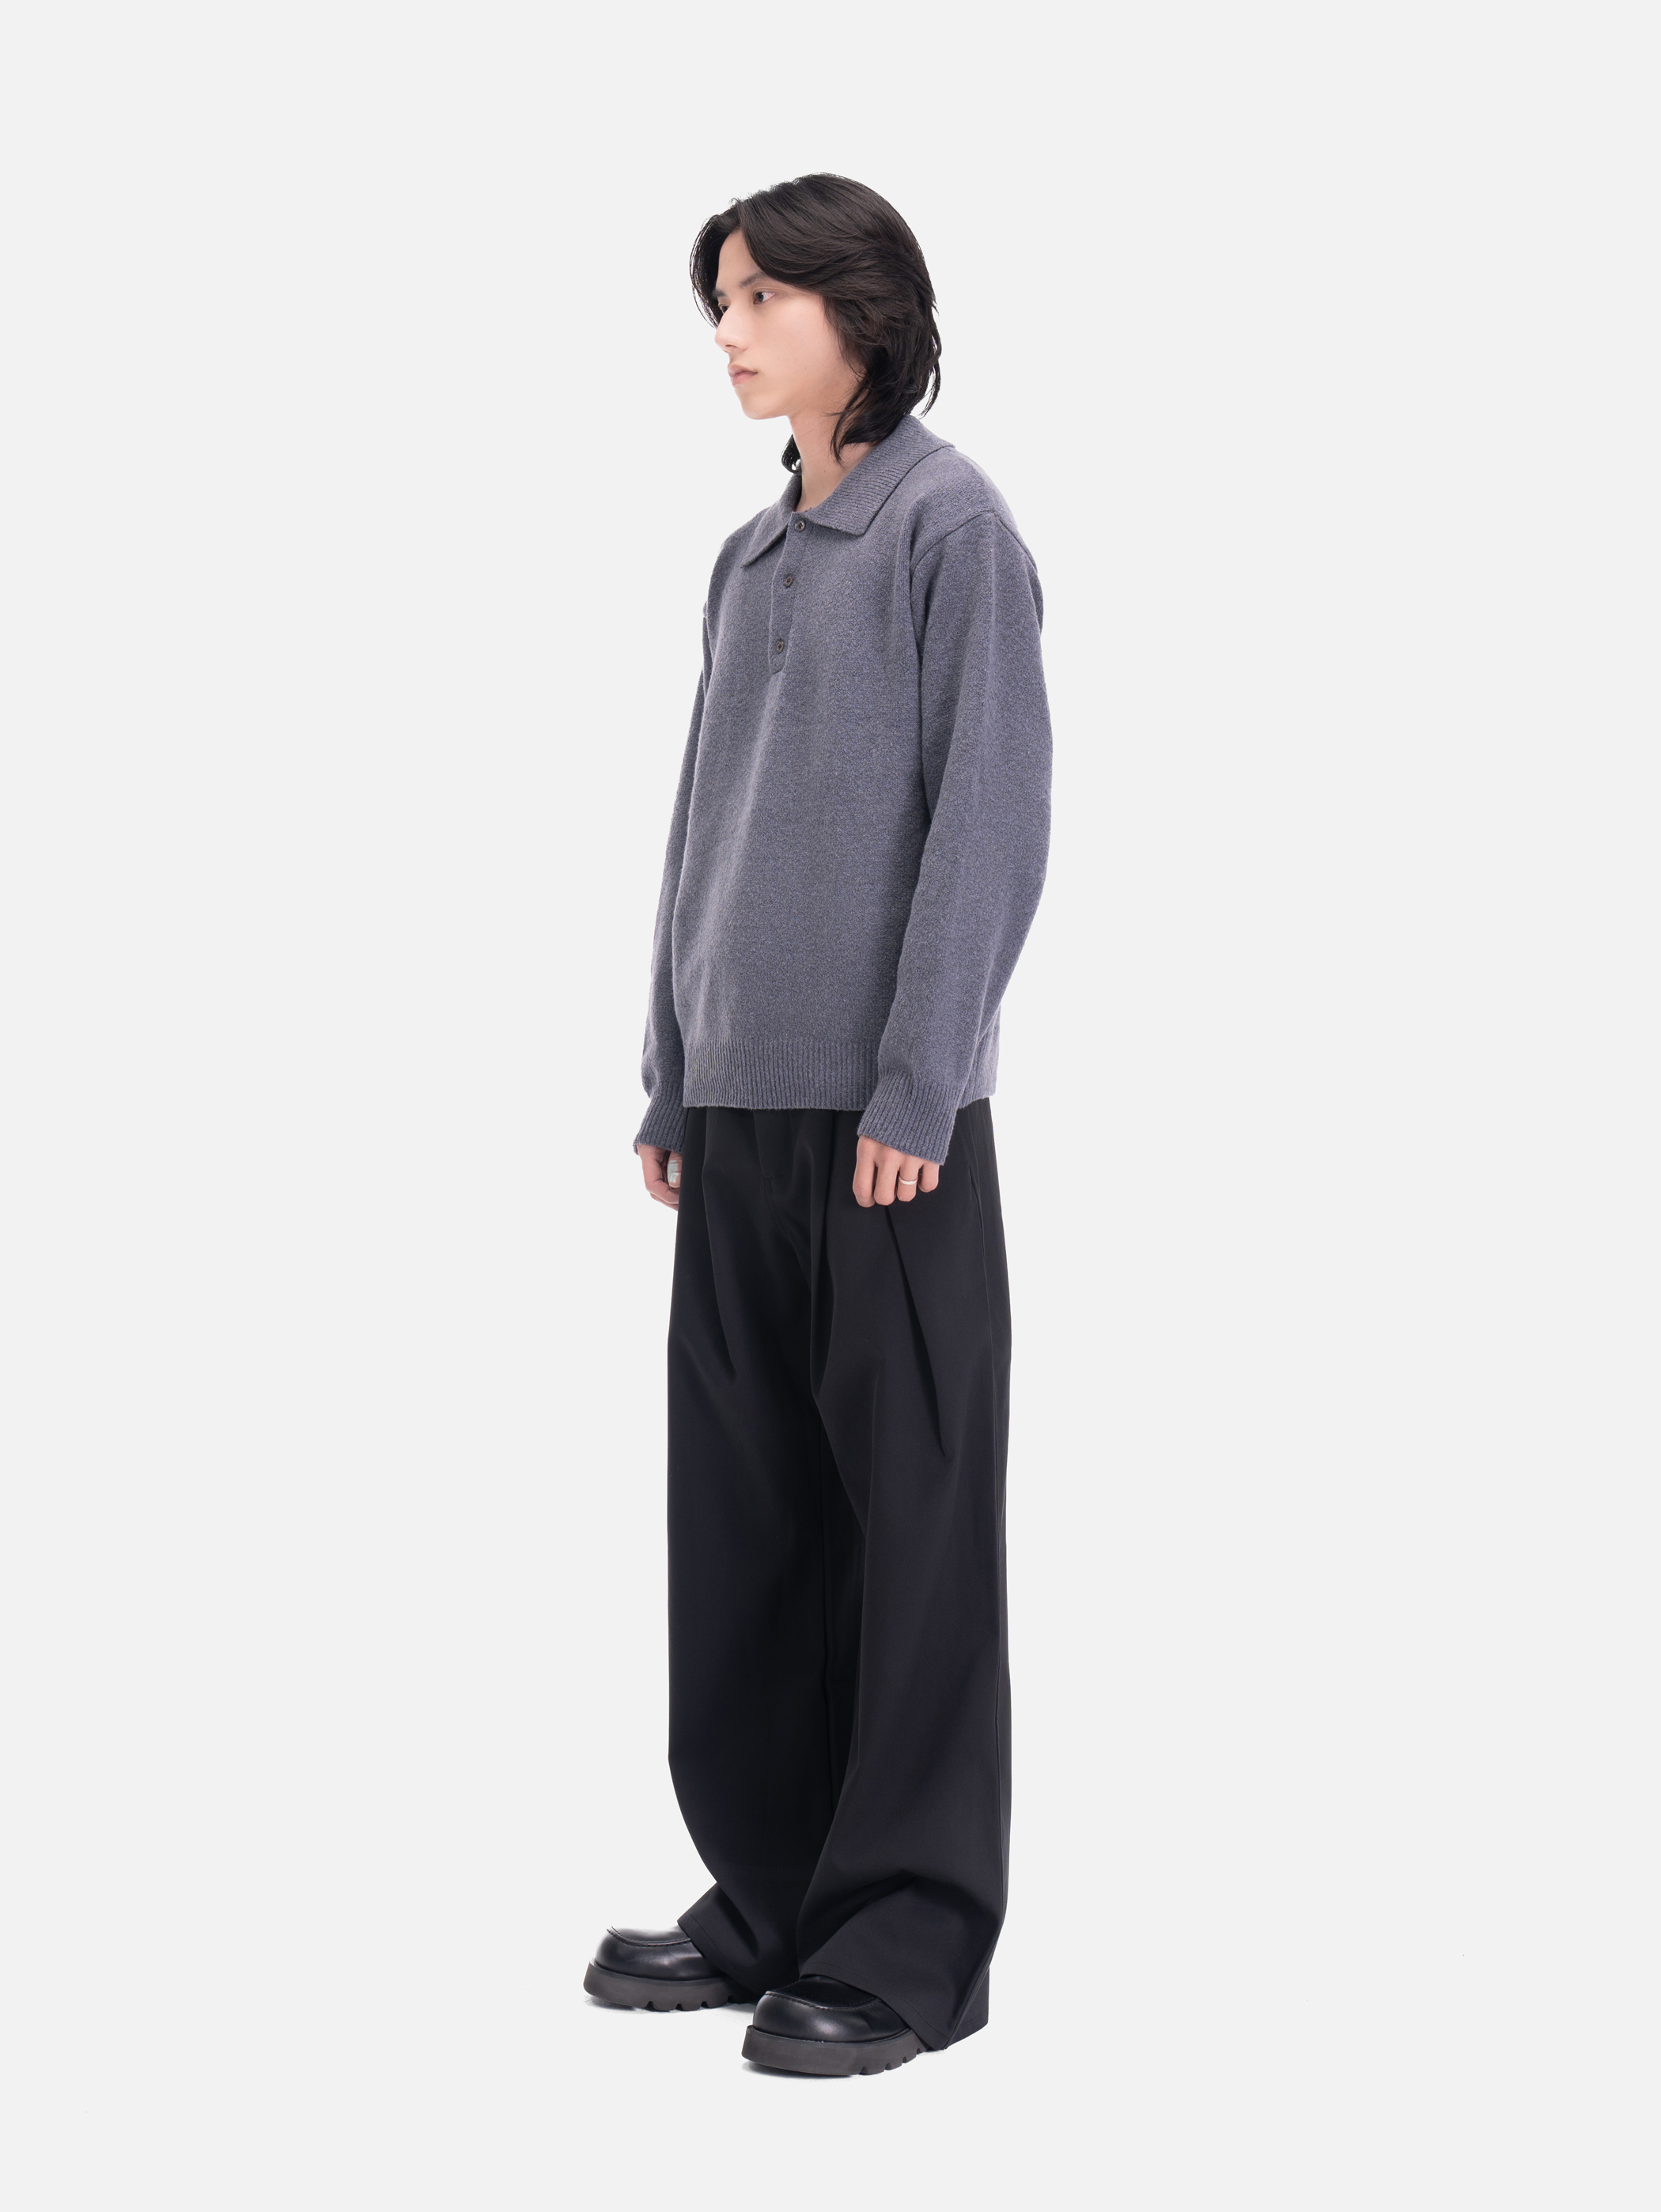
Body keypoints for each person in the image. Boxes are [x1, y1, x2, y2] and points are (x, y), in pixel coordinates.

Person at [585, 173, 1053, 2076]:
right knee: (752, 1522)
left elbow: (992, 816)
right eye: (722, 298)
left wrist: (920, 1077)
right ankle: (775, 1893)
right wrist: (669, 1067)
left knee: (909, 1530)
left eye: (764, 295)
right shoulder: (751, 557)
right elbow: (701, 827)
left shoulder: (952, 528)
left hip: (887, 1129)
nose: (731, 330)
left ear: (865, 309)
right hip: (739, 1115)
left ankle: (909, 1932)